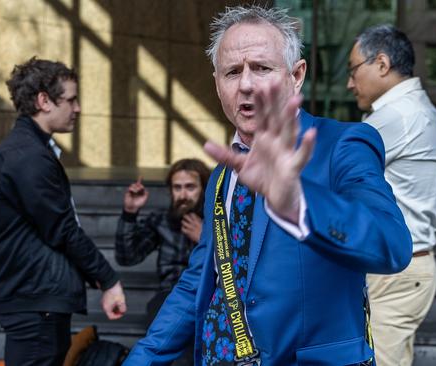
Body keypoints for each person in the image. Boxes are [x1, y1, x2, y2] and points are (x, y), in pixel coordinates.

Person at [123, 6, 412, 365]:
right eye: (232, 71)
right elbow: (199, 279)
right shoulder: (221, 176)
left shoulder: (343, 144)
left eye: (261, 68)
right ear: (217, 83)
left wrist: (299, 203)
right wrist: (141, 359)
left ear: (296, 75)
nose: (246, 83)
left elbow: (392, 244)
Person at [0, 57, 126, 366]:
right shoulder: (28, 157)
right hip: (33, 297)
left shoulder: (31, 150)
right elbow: (62, 229)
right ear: (44, 101)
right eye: (71, 99)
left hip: (36, 296)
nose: (77, 108)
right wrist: (108, 279)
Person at [346, 25, 436, 366]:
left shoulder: (399, 115)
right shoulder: (415, 108)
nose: (350, 83)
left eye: (353, 70)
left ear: (382, 64)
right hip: (405, 267)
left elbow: (332, 167)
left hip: (395, 271)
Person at [115, 158, 210, 365]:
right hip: (168, 296)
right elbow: (127, 257)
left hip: (209, 297)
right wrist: (130, 214)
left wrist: (205, 239)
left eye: (190, 187)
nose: (183, 195)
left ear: (204, 188)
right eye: (177, 188)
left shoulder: (216, 222)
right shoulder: (161, 221)